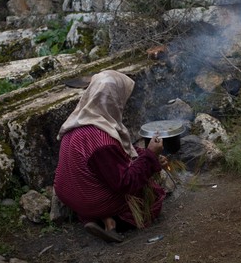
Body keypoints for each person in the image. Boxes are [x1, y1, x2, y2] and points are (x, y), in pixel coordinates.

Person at [54, 70, 167, 243]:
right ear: (114, 100)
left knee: (139, 170)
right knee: (152, 196)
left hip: (69, 194)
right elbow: (125, 183)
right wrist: (151, 155)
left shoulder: (76, 122)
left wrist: (146, 156)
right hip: (90, 199)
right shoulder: (101, 141)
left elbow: (116, 158)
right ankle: (111, 219)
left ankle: (98, 218)